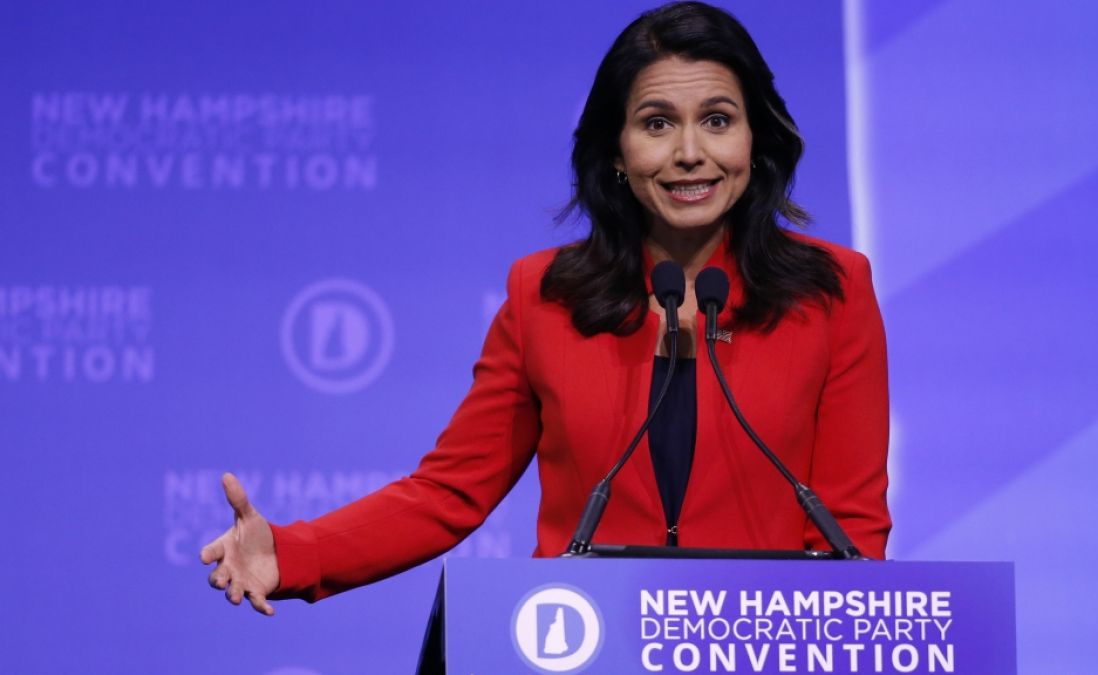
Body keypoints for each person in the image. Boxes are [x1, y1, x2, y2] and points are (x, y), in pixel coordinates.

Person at [201, 1, 890, 617]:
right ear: (617, 151)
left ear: (755, 141)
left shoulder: (832, 291)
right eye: (656, 123)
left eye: (717, 120)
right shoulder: (546, 297)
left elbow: (850, 530)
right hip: (576, 647)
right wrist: (291, 553)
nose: (689, 153)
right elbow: (449, 492)